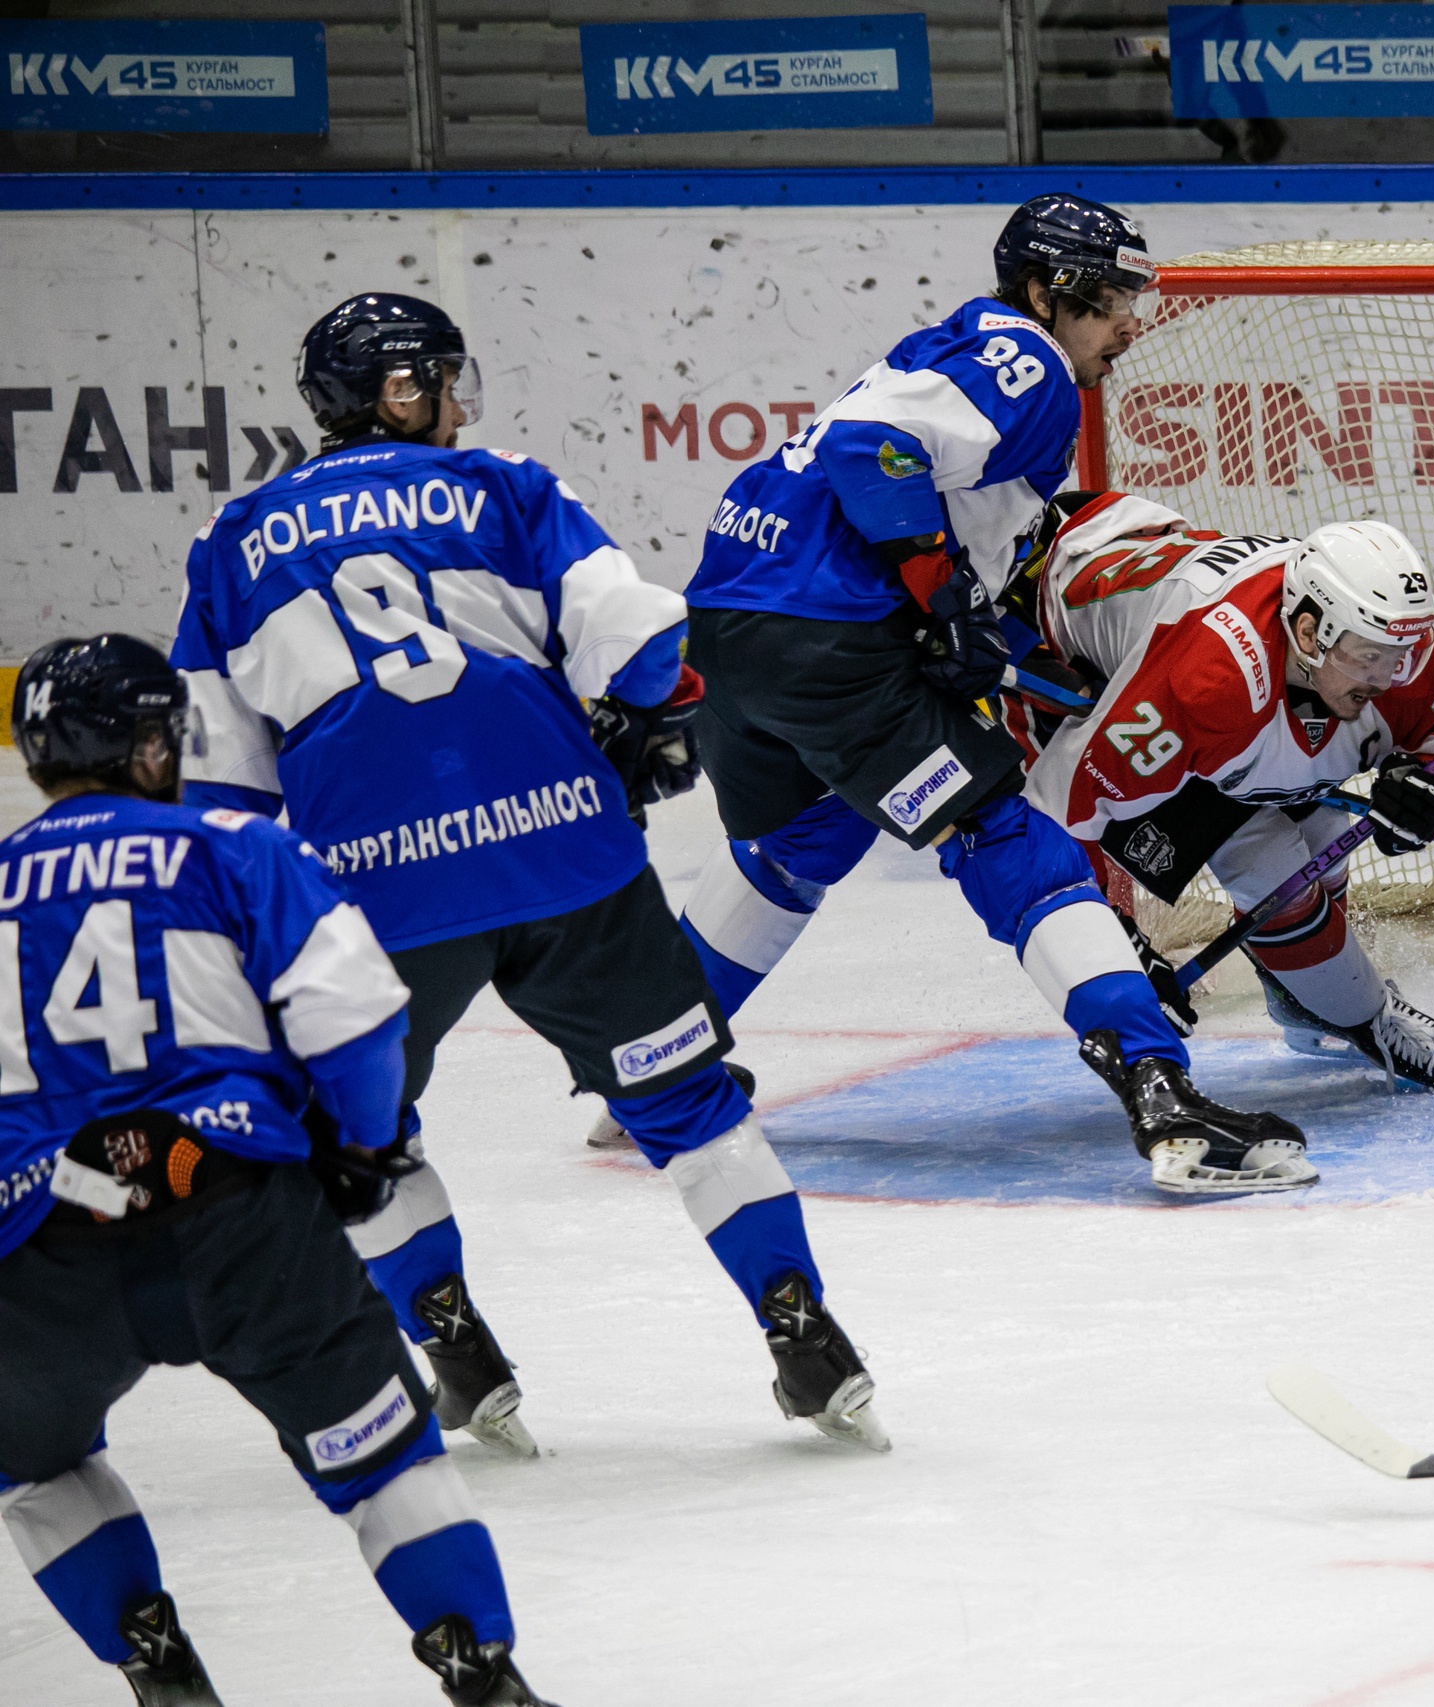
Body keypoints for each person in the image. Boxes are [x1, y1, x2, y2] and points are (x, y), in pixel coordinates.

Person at [171, 292, 885, 1454]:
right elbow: (648, 646)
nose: (461, 398)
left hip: (377, 898)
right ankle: (803, 1333)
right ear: (400, 388)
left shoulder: (229, 543)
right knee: (690, 1105)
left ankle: (456, 1348)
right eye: (444, 377)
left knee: (359, 1136)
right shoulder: (503, 485)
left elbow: (226, 795)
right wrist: (649, 720)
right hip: (569, 857)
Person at [669, 194, 1308, 1195]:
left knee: (803, 841)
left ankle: (658, 1069)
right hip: (830, 639)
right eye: (1108, 303)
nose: (1127, 328)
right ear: (1049, 294)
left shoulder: (962, 349)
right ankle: (1156, 1083)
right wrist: (940, 599)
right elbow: (869, 451)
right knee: (1006, 838)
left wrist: (990, 630)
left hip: (730, 633)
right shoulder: (1030, 363)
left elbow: (923, 519)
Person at [0, 637, 551, 1705]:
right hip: (237, 1212)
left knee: (35, 1465)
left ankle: (157, 1666)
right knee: (386, 1461)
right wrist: (357, 1148)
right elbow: (351, 1018)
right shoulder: (230, 846)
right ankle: (482, 1676)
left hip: (41, 1240)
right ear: (156, 746)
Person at [1001, 491, 1434, 1090]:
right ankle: (1368, 1017)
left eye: (1401, 655)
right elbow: (1059, 808)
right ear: (1310, 633)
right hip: (1061, 631)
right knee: (1269, 865)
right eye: (1371, 658)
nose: (1390, 677)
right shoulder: (1208, 682)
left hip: (1147, 561)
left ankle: (1305, 998)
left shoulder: (1397, 648)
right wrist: (1110, 940)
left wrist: (1433, 781)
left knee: (1318, 833)